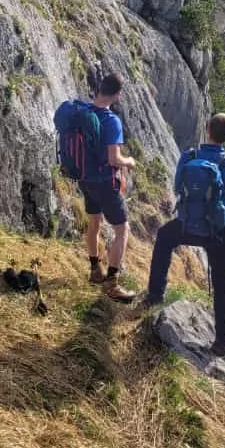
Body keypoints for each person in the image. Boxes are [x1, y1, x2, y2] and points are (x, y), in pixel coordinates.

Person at [142, 113, 225, 356]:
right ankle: (221, 340)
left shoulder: (189, 156)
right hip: (219, 232)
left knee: (163, 238)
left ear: (207, 129)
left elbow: (177, 186)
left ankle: (155, 296)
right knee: (222, 283)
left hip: (187, 225)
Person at [54, 72, 137, 302]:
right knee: (122, 230)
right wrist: (129, 161)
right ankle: (112, 283)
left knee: (94, 222)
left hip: (84, 178)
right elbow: (113, 158)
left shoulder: (81, 111)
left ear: (100, 88)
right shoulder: (111, 121)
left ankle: (95, 270)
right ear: (117, 95)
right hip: (105, 183)